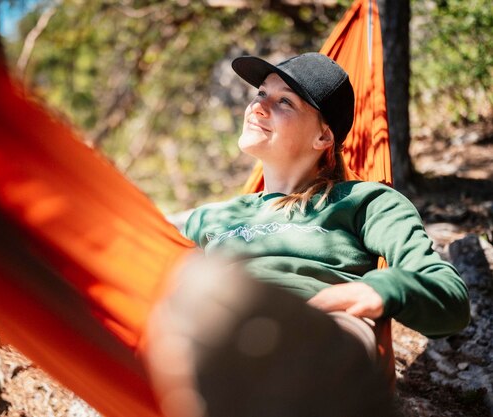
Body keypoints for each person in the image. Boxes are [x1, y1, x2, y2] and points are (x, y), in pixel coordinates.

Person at [145, 53, 470, 417]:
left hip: (325, 342)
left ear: (323, 136)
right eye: (261, 93)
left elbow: (450, 297)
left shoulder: (364, 202)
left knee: (206, 289)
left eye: (283, 101)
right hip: (221, 345)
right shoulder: (211, 217)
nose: (258, 106)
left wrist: (380, 288)